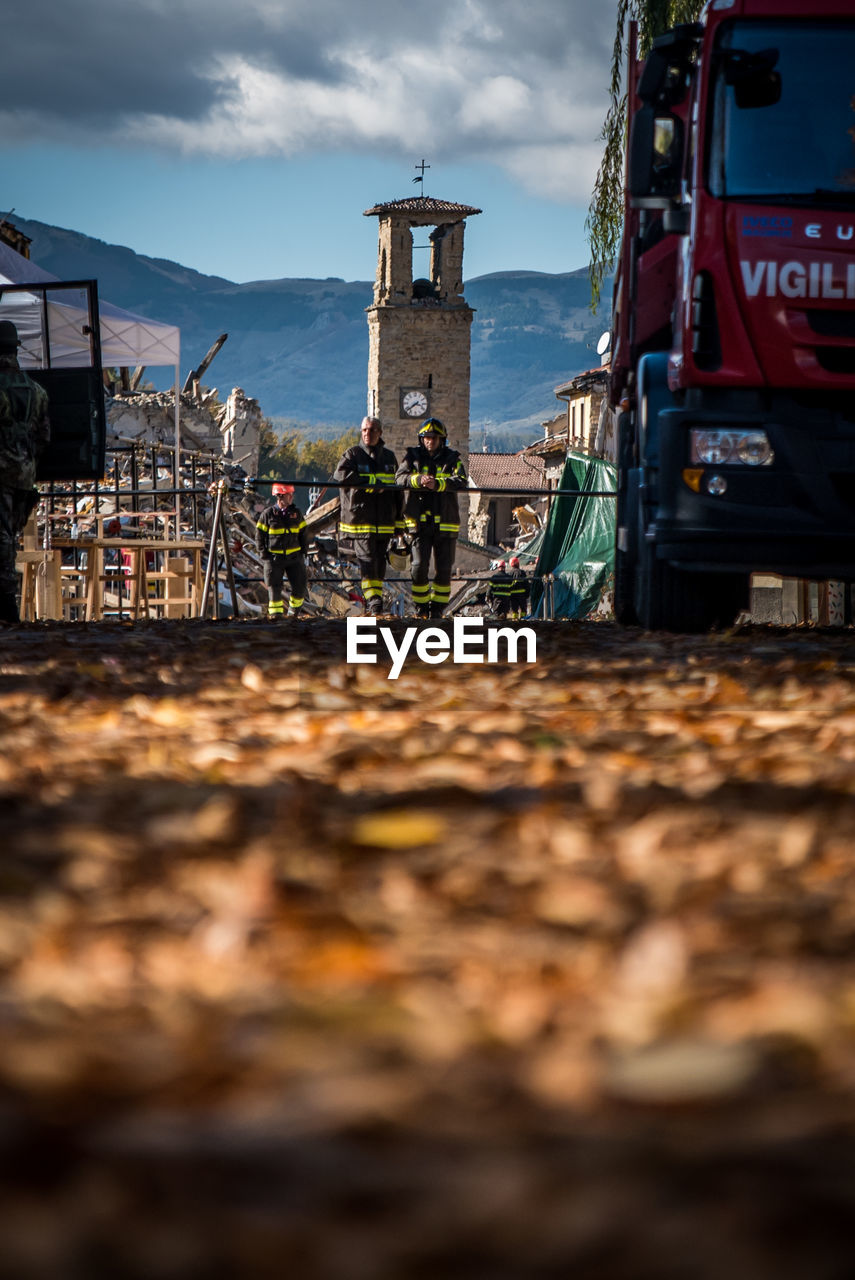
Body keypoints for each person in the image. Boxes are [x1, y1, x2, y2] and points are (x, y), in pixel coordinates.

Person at [0, 321, 50, 623]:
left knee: (2, 539)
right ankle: (8, 604)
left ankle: (6, 606)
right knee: (9, 537)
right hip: (24, 473)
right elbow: (44, 437)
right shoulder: (37, 391)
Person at [396, 417, 467, 618]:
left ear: (442, 439)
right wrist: (417, 479)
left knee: (444, 570)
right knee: (418, 568)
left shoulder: (453, 458)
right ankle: (421, 608)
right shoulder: (412, 457)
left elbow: (461, 480)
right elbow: (399, 478)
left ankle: (437, 610)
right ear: (421, 439)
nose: (430, 441)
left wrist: (439, 484)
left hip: (446, 524)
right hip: (419, 524)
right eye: (427, 437)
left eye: (435, 438)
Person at [334, 416, 403, 617]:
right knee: (367, 563)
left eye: (372, 430)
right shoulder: (353, 455)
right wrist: (370, 483)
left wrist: (399, 523)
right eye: (364, 430)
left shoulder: (389, 458)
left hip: (384, 522)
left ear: (380, 433)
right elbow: (341, 475)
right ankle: (375, 603)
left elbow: (398, 492)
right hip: (360, 522)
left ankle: (376, 602)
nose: (367, 434)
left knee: (380, 564)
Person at [255, 482, 308, 617]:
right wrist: (264, 555)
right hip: (274, 560)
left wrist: (303, 552)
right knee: (274, 590)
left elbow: (303, 533)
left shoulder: (296, 514)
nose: (291, 497)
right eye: (289, 495)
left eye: (291, 495)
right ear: (280, 496)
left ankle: (293, 614)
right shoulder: (268, 515)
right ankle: (276, 618)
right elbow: (259, 536)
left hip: (294, 559)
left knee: (300, 587)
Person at [508, 556, 530, 620]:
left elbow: (508, 586)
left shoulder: (509, 573)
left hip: (513, 596)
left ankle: (514, 621)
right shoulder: (522, 573)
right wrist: (527, 594)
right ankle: (523, 620)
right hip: (522, 595)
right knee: (523, 609)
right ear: (518, 563)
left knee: (514, 610)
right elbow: (526, 584)